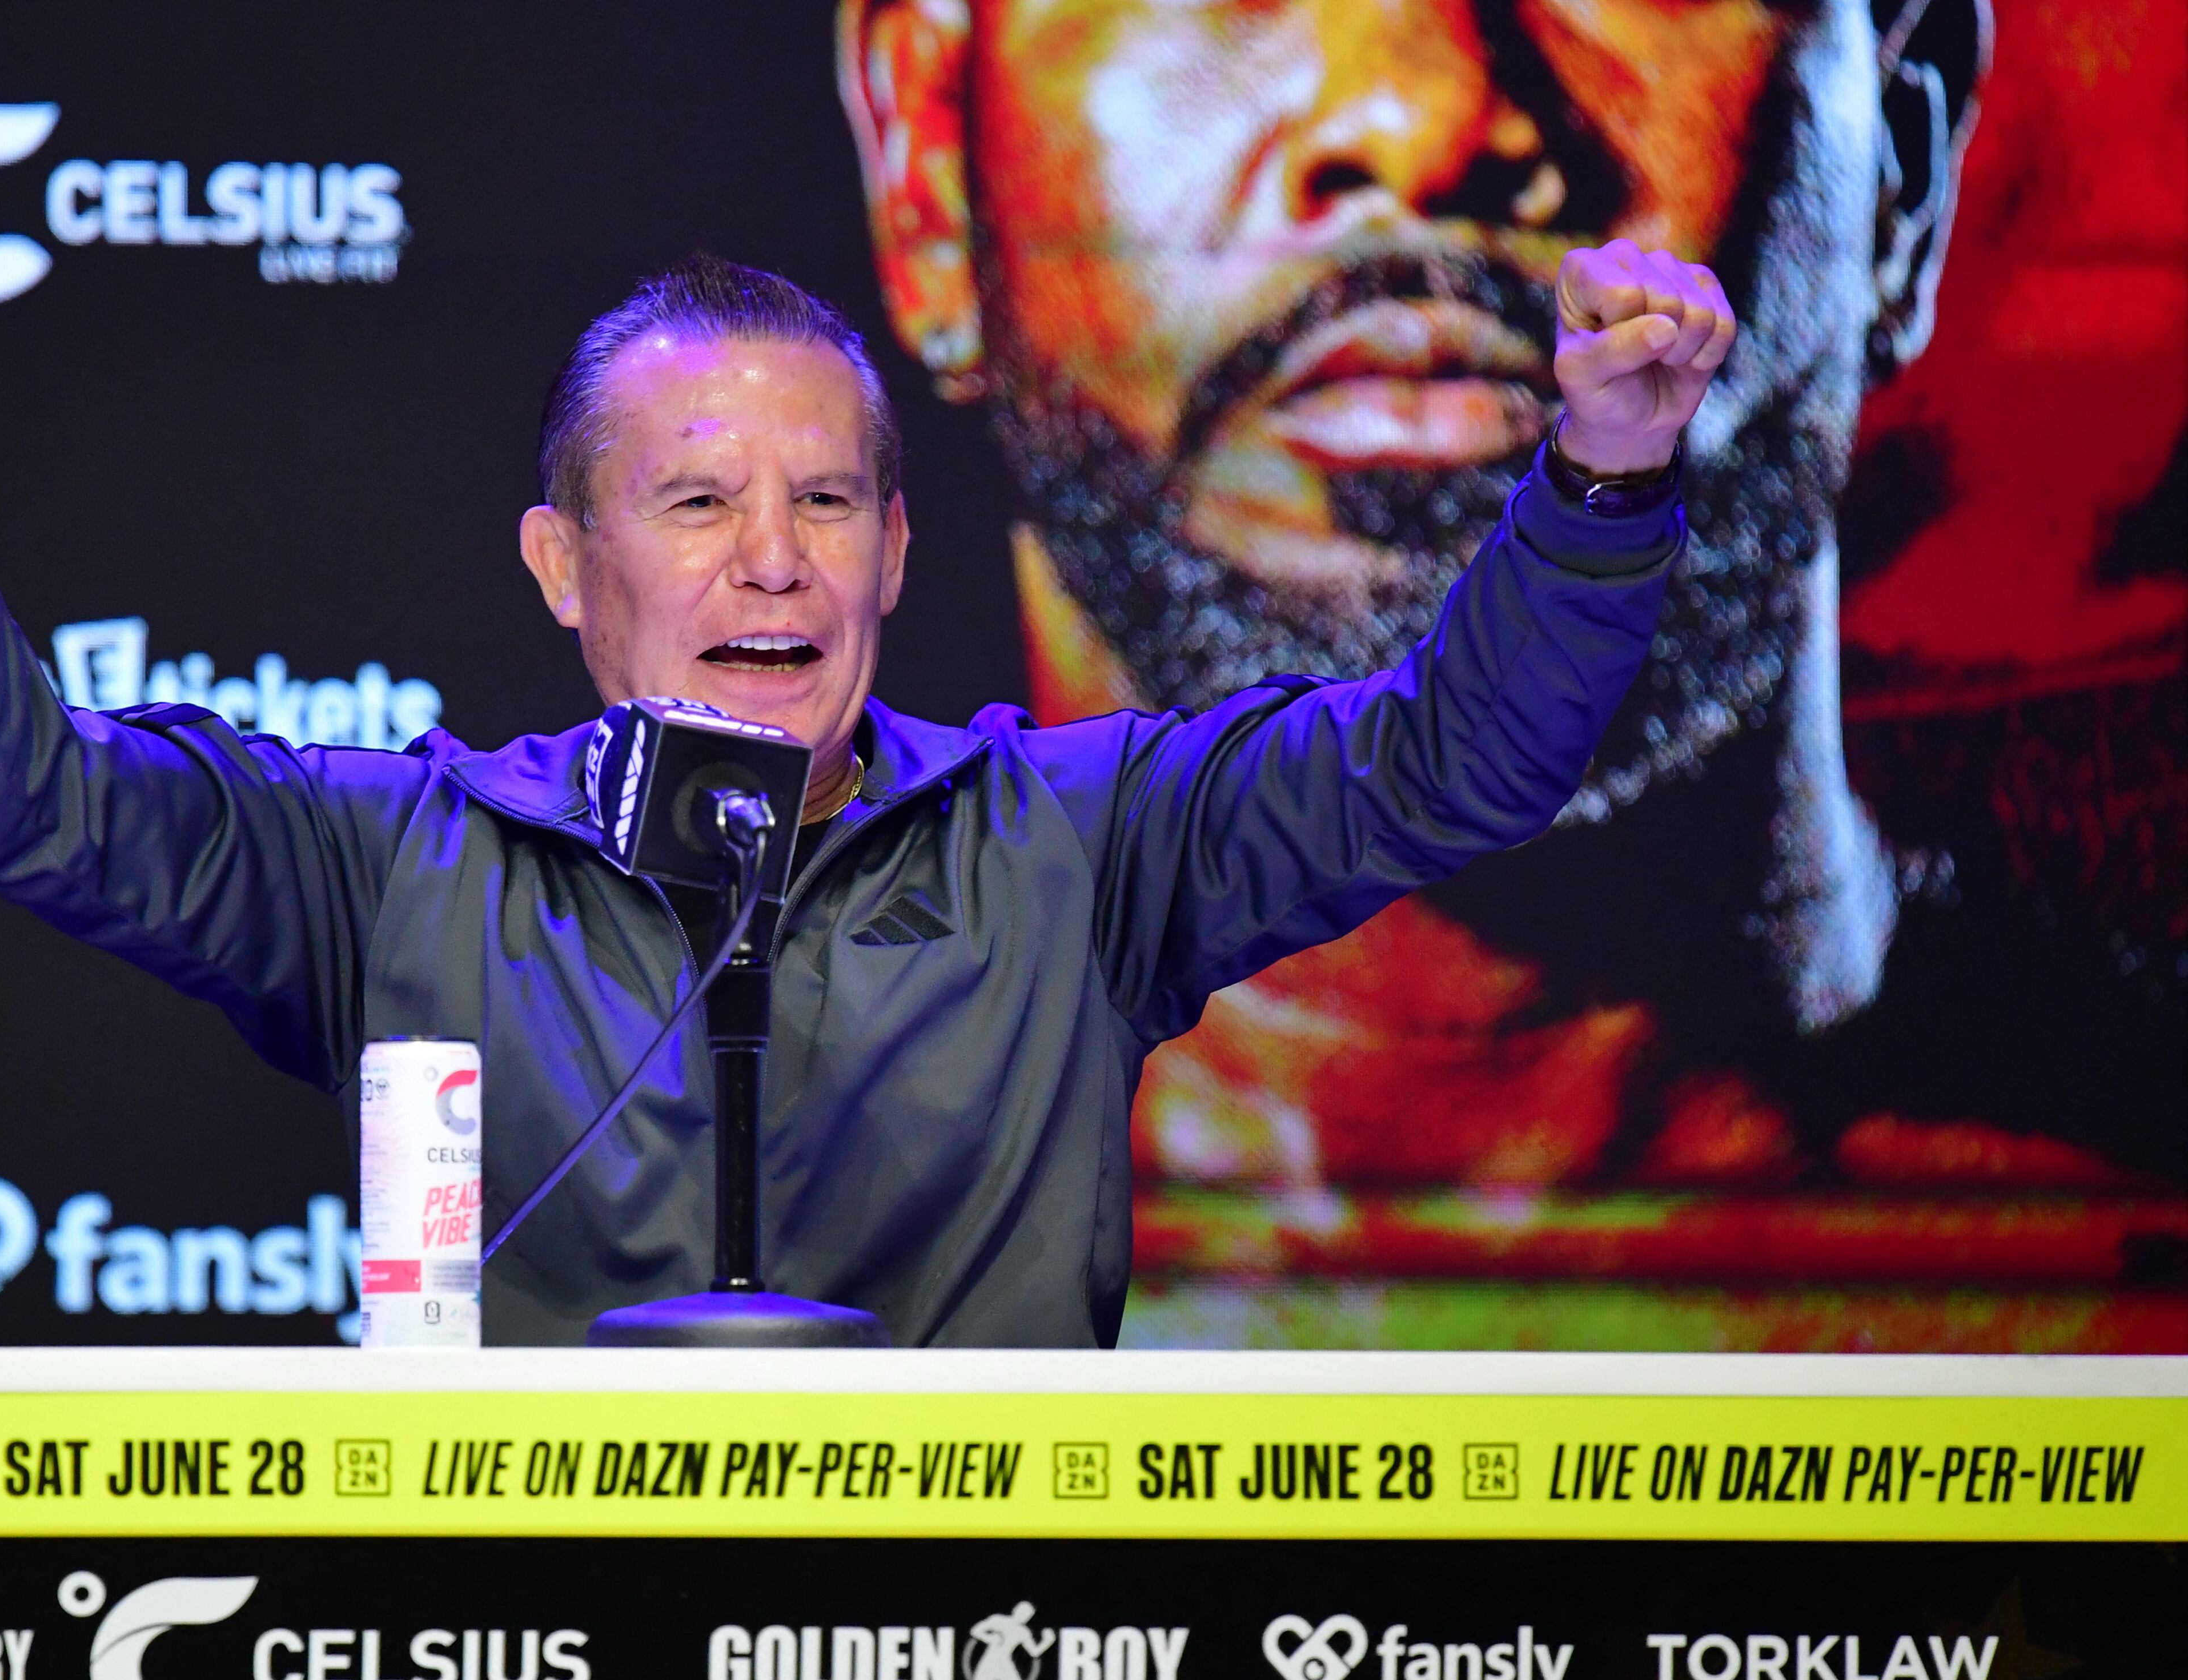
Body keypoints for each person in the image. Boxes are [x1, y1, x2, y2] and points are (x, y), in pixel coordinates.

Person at [0, 239, 1731, 1345]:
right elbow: (16, 795)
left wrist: (1607, 477)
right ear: (561, 567)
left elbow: (1450, 758)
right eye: (694, 503)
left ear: (889, 556)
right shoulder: (387, 862)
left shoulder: (1075, 841)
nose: (764, 563)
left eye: (820, 507)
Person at [834, 0, 2078, 1343]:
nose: (1420, 122)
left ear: (1903, 152)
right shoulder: (668, 1247)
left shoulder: (2114, 1277)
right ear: (929, 168)